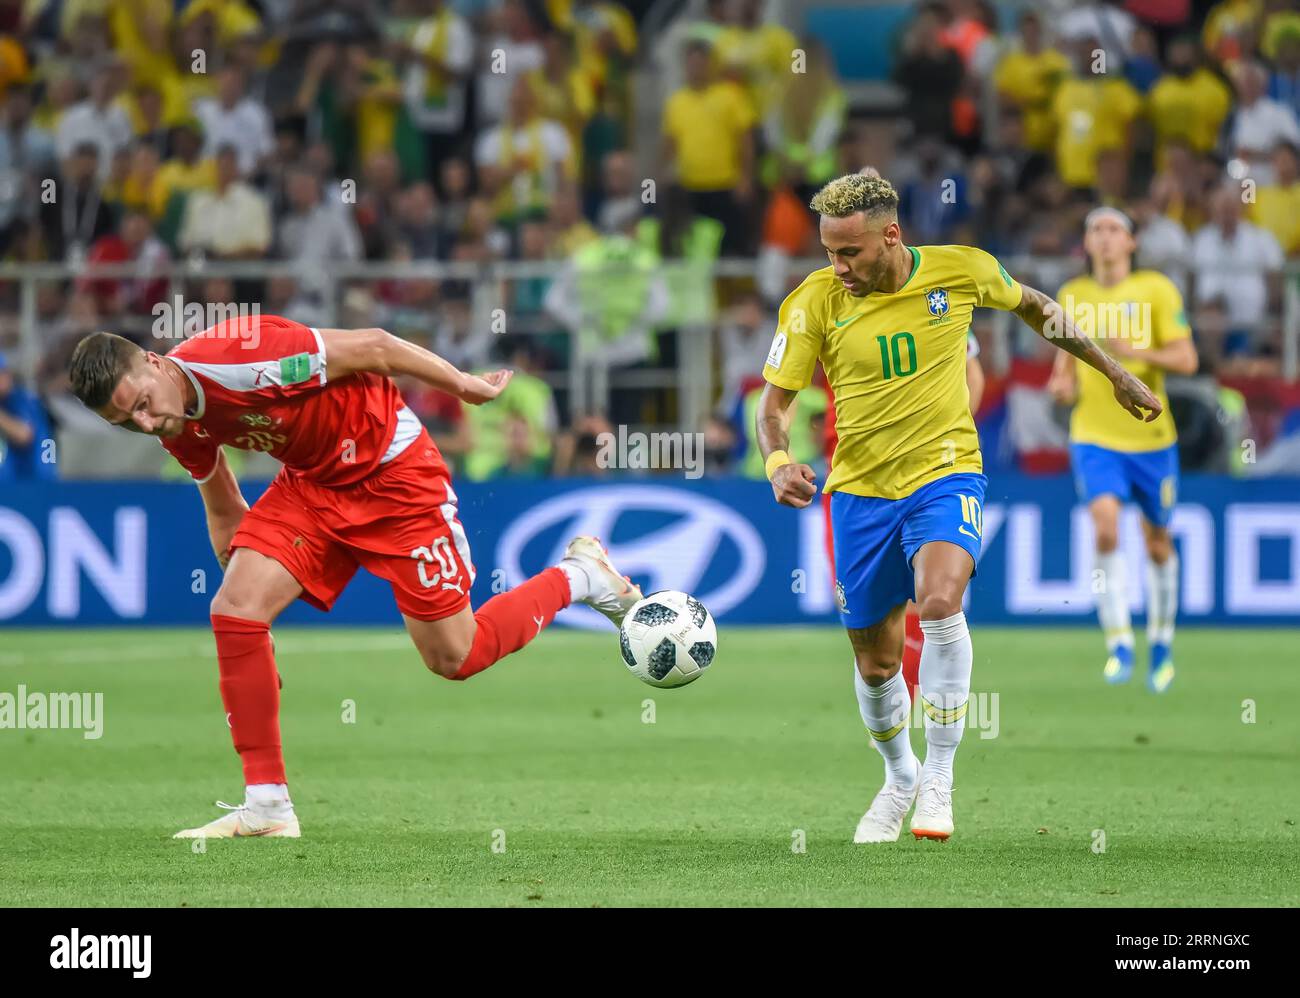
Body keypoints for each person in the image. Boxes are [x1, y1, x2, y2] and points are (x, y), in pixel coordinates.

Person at [67, 316, 643, 839]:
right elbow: (222, 505)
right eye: (127, 422)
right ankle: (267, 806)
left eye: (142, 403)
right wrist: (247, 604)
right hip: (312, 487)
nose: (146, 422)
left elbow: (374, 347)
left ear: (153, 360)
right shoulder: (168, 417)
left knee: (455, 656)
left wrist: (464, 386)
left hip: (393, 474)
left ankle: (580, 576)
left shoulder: (242, 357)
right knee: (233, 611)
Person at [756, 174, 1161, 844]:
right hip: (858, 493)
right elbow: (774, 408)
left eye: (849, 252)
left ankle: (940, 776)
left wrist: (1113, 371)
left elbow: (1035, 307)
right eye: (829, 252)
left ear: (892, 235)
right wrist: (777, 463)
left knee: (940, 603)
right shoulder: (813, 303)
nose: (839, 267)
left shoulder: (960, 270)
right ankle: (899, 776)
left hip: (947, 475)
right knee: (876, 663)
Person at [1048, 207, 1198, 693]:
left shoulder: (1156, 289)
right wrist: (1061, 388)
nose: (1105, 238)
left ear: (1131, 243)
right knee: (1106, 527)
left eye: (1114, 230)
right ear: (1087, 243)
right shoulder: (1072, 295)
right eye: (1096, 230)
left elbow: (1187, 358)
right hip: (1094, 436)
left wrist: (1135, 354)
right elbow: (1064, 373)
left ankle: (1161, 641)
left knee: (1157, 541)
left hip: (1152, 438)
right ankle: (1118, 641)